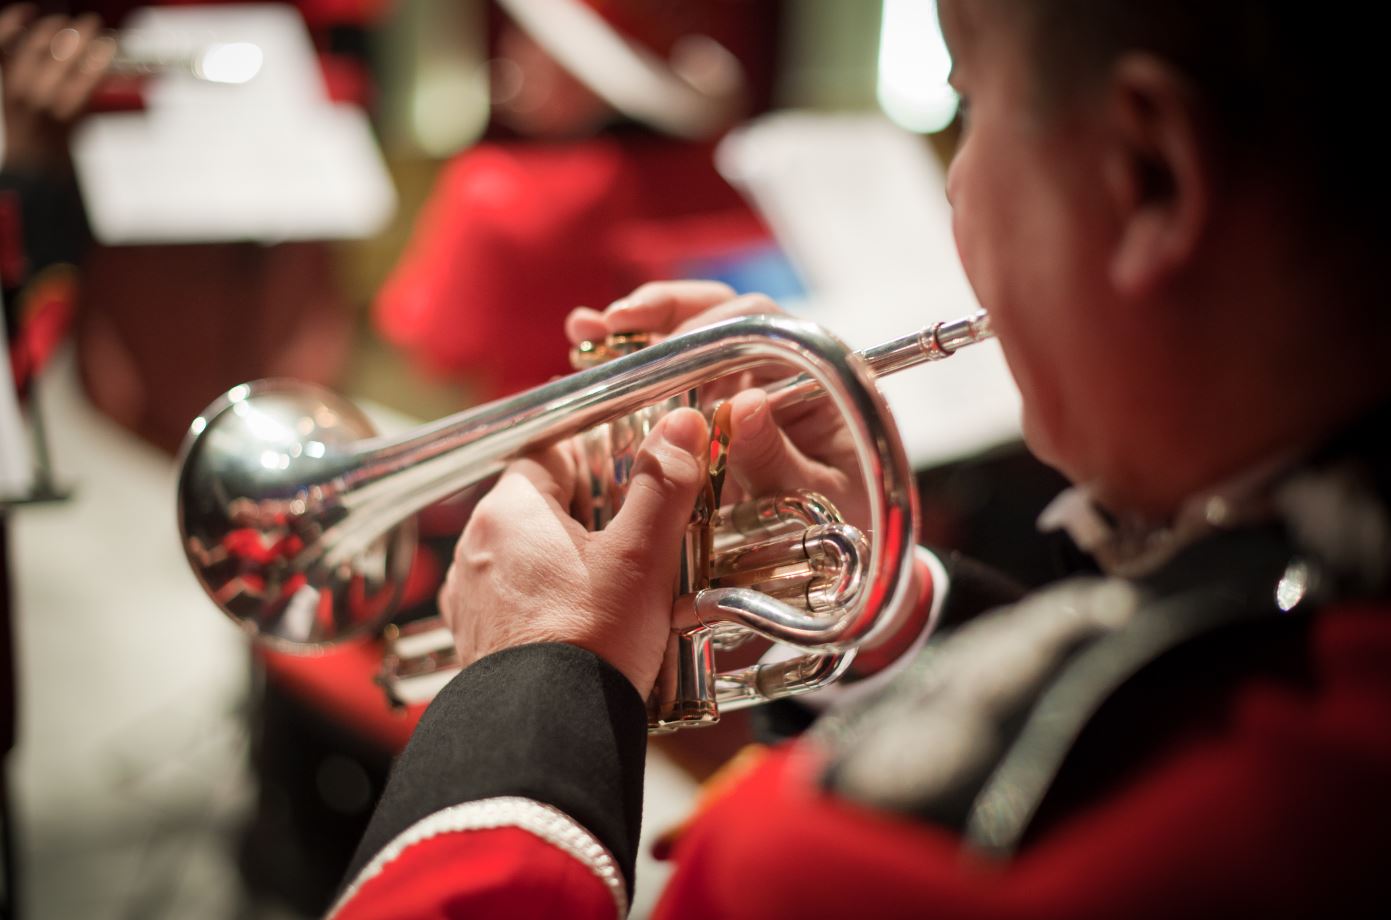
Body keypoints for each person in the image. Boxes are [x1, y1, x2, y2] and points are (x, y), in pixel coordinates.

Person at [330, 1, 1391, 917]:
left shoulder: (853, 867)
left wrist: (525, 689)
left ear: (1147, 175)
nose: (953, 192)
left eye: (967, 108)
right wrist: (872, 606)